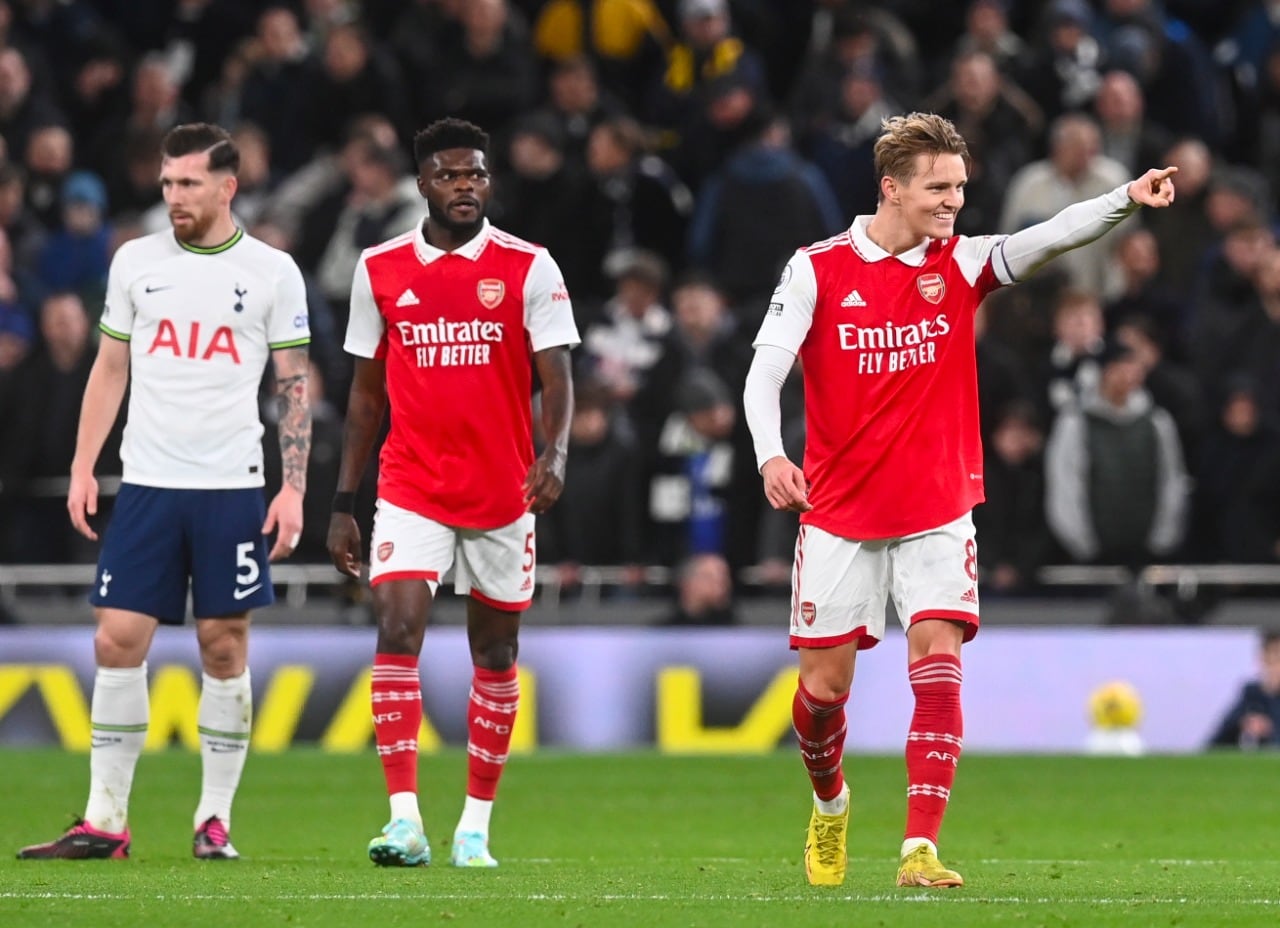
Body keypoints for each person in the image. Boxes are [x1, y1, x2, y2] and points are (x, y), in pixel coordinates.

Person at [742, 112, 1176, 888]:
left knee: (938, 662)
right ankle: (832, 805)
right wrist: (771, 452)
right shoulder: (816, 269)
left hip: (939, 506)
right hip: (840, 514)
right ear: (893, 188)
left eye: (961, 188)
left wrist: (1125, 199)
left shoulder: (965, 263)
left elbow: (1050, 236)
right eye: (939, 188)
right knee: (821, 694)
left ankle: (919, 848)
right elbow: (765, 370)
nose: (953, 202)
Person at [17, 123, 312, 860]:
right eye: (167, 182)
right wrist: (86, 464)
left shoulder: (273, 271)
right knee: (116, 639)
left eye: (187, 184)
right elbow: (110, 367)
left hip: (231, 486)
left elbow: (294, 384)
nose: (173, 196)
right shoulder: (135, 262)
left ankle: (214, 821)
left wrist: (294, 487)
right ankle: (105, 821)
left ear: (227, 187)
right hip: (147, 482)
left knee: (223, 645)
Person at [326, 118, 579, 870]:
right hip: (410, 485)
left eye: (475, 174)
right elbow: (366, 398)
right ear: (421, 184)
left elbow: (558, 376)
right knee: (397, 628)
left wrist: (553, 452)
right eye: (449, 175)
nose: (465, 186)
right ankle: (404, 819)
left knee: (495, 652)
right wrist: (345, 501)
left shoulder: (528, 266)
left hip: (504, 491)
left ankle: (475, 826)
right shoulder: (380, 268)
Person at [1208, 630, 1280, 750]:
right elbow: (1214, 745)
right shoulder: (1252, 696)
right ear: (1264, 659)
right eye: (1276, 658)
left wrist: (1271, 731)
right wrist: (1241, 724)